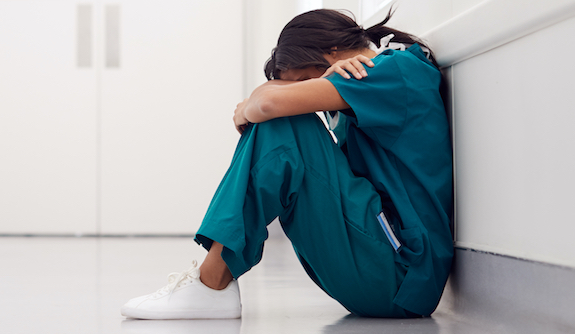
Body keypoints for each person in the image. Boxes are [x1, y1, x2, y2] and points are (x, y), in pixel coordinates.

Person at [120, 8, 453, 320]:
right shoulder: (374, 76)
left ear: (332, 52)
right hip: (387, 266)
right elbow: (266, 103)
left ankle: (211, 284)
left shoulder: (391, 72)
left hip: (401, 271)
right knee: (282, 122)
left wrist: (254, 103)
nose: (303, 91)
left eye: (303, 80)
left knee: (283, 123)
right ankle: (211, 283)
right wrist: (268, 99)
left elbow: (265, 106)